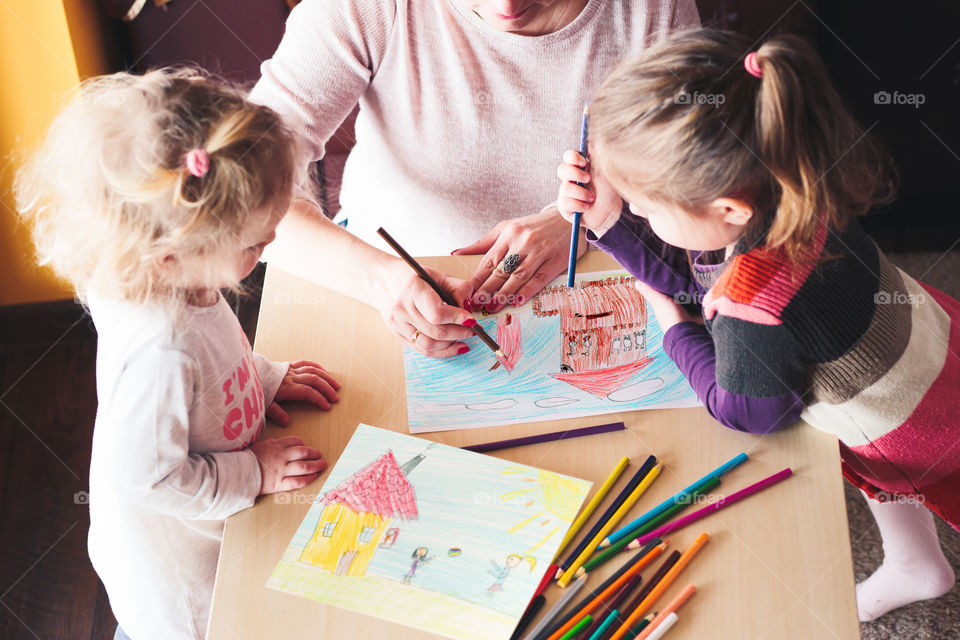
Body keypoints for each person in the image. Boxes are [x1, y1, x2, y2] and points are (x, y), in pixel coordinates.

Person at [556, 29, 959, 622]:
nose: (637, 211)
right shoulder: (792, 184)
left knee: (895, 474)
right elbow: (704, 270)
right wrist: (612, 218)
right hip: (929, 355)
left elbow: (749, 411)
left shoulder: (754, 313)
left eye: (645, 206)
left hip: (918, 424)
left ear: (728, 211)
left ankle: (913, 562)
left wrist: (675, 329)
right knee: (887, 480)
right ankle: (913, 562)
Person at [15, 69, 341, 640]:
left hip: (214, 524)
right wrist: (254, 470)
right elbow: (147, 478)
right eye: (254, 243)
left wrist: (262, 379)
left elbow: (219, 354)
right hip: (178, 580)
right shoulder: (158, 351)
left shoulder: (182, 274)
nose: (268, 248)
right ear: (172, 254)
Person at [249, 0, 699, 358]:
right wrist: (381, 281)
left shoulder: (652, 9)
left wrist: (581, 219)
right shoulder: (364, 7)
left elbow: (698, 173)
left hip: (606, 286)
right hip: (377, 287)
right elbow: (238, 197)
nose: (506, 6)